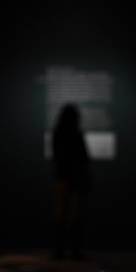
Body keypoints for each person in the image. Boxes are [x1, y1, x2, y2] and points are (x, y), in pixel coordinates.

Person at [51, 104, 91, 260]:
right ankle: (75, 251)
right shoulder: (76, 134)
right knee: (75, 216)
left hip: (62, 178)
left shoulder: (57, 134)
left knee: (61, 215)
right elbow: (84, 158)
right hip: (75, 179)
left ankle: (59, 250)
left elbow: (57, 158)